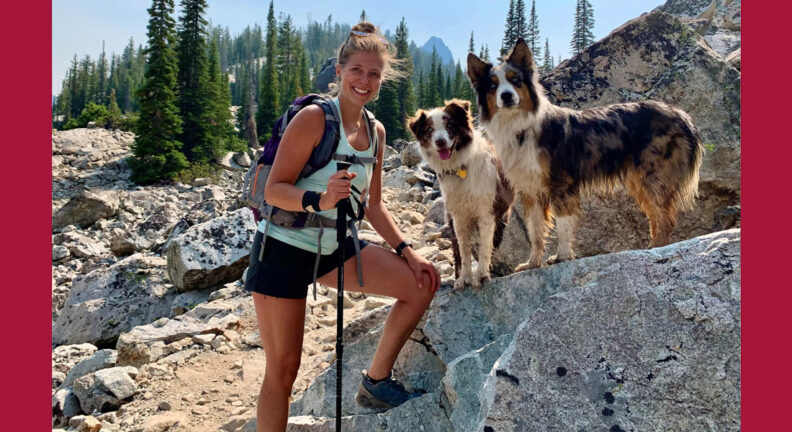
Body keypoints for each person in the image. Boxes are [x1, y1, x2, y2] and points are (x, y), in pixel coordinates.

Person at [244, 22, 440, 432]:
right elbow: (275, 189)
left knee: (420, 284)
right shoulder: (315, 119)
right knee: (283, 371)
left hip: (333, 247)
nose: (364, 81)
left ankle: (376, 382)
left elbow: (373, 206)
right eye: (357, 70)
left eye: (374, 74)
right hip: (282, 249)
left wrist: (409, 252)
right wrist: (319, 199)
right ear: (339, 70)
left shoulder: (377, 132)